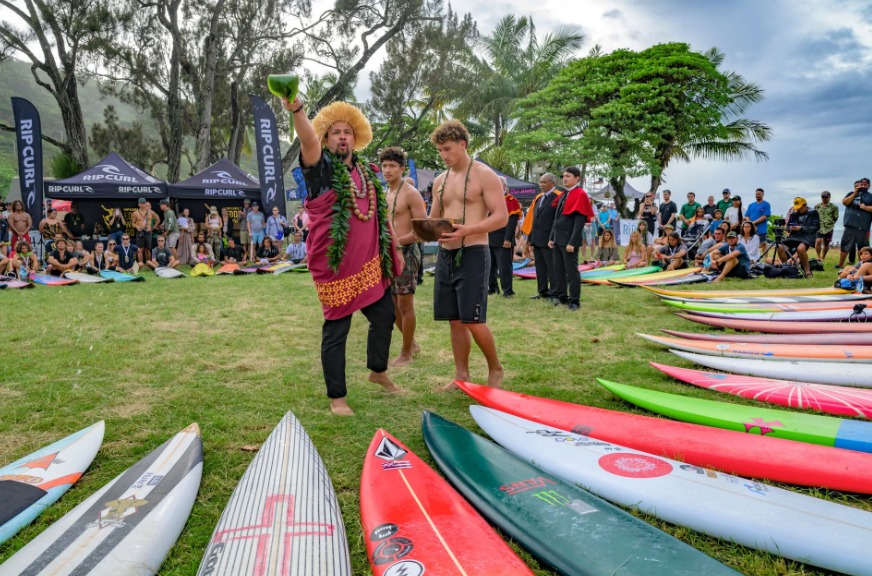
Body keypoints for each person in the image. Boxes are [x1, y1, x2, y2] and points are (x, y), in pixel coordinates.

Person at [282, 94, 402, 415]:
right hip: (335, 266)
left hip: (366, 265)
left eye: (347, 132)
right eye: (335, 132)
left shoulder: (365, 172)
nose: (342, 136)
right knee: (337, 330)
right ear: (326, 139)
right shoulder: (320, 169)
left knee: (385, 315)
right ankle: (337, 398)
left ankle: (378, 370)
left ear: (355, 139)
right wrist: (297, 110)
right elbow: (307, 140)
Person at [427, 119, 508, 390]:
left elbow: (501, 217)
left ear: (463, 145)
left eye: (448, 149)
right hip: (446, 253)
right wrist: (426, 229)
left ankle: (495, 369)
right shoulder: (440, 180)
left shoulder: (485, 175)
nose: (444, 155)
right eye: (440, 151)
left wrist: (468, 230)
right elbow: (433, 218)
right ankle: (462, 375)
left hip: (474, 251)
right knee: (454, 319)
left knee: (473, 319)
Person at [381, 146, 427, 366]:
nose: (387, 170)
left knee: (405, 305)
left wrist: (398, 244)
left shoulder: (410, 193)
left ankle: (406, 353)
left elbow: (422, 230)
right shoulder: (385, 194)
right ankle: (413, 344)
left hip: (407, 253)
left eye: (392, 166)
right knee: (392, 305)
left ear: (401, 168)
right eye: (384, 166)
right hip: (388, 255)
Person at [549, 167, 595, 311]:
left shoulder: (580, 194)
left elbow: (579, 222)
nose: (565, 178)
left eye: (568, 176)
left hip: (568, 241)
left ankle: (574, 301)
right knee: (558, 270)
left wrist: (572, 242)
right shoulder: (563, 194)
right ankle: (562, 296)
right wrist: (551, 237)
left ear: (577, 178)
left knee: (571, 272)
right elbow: (556, 219)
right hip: (557, 239)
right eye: (563, 176)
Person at [524, 173, 561, 300]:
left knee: (552, 267)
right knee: (540, 267)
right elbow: (534, 219)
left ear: (553, 183)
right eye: (541, 182)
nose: (541, 185)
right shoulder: (539, 198)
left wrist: (554, 238)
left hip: (549, 239)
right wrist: (530, 238)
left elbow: (557, 220)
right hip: (537, 238)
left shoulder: (558, 197)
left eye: (544, 182)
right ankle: (542, 291)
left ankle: (554, 292)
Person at [488, 176, 522, 297]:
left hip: (503, 239)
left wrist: (508, 239)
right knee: (489, 267)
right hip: (489, 238)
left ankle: (507, 291)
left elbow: (512, 222)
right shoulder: (489, 199)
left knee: (504, 267)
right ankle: (492, 288)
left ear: (504, 186)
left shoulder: (510, 200)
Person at [836, 178, 872, 270]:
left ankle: (862, 265)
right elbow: (845, 202)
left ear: (869, 186)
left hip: (863, 226)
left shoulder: (870, 196)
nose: (863, 186)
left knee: (863, 247)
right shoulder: (851, 194)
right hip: (850, 225)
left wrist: (865, 207)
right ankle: (840, 264)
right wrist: (855, 193)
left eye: (865, 184)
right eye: (861, 184)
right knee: (845, 244)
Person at [778, 197, 819, 277]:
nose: (798, 210)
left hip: (807, 236)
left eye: (800, 208)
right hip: (795, 235)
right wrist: (790, 228)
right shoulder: (794, 213)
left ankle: (807, 271)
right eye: (797, 208)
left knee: (801, 249)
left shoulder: (813, 213)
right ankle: (786, 268)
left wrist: (801, 227)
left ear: (804, 205)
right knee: (780, 247)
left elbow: (815, 227)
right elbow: (789, 224)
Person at [131, 198, 158, 264]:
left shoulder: (151, 212)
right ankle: (141, 264)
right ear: (138, 204)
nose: (143, 205)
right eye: (141, 203)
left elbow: (158, 220)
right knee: (140, 250)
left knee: (147, 249)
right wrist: (137, 227)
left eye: (144, 203)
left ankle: (148, 264)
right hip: (140, 232)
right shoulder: (135, 213)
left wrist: (153, 228)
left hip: (148, 232)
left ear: (146, 204)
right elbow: (133, 223)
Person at [814, 190, 840, 261]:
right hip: (819, 227)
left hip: (829, 227)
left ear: (829, 197)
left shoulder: (834, 207)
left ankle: (823, 257)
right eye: (823, 197)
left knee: (826, 243)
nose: (824, 198)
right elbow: (814, 216)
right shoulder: (817, 206)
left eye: (826, 197)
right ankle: (818, 257)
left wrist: (831, 223)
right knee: (818, 241)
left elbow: (836, 217)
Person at [746, 188, 771, 252]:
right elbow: (747, 215)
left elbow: (765, 216)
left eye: (759, 194)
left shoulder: (766, 204)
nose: (757, 195)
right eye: (756, 194)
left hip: (761, 229)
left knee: (763, 244)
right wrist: (750, 223)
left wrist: (754, 222)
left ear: (763, 194)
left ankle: (765, 259)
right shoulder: (751, 205)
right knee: (751, 245)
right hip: (751, 229)